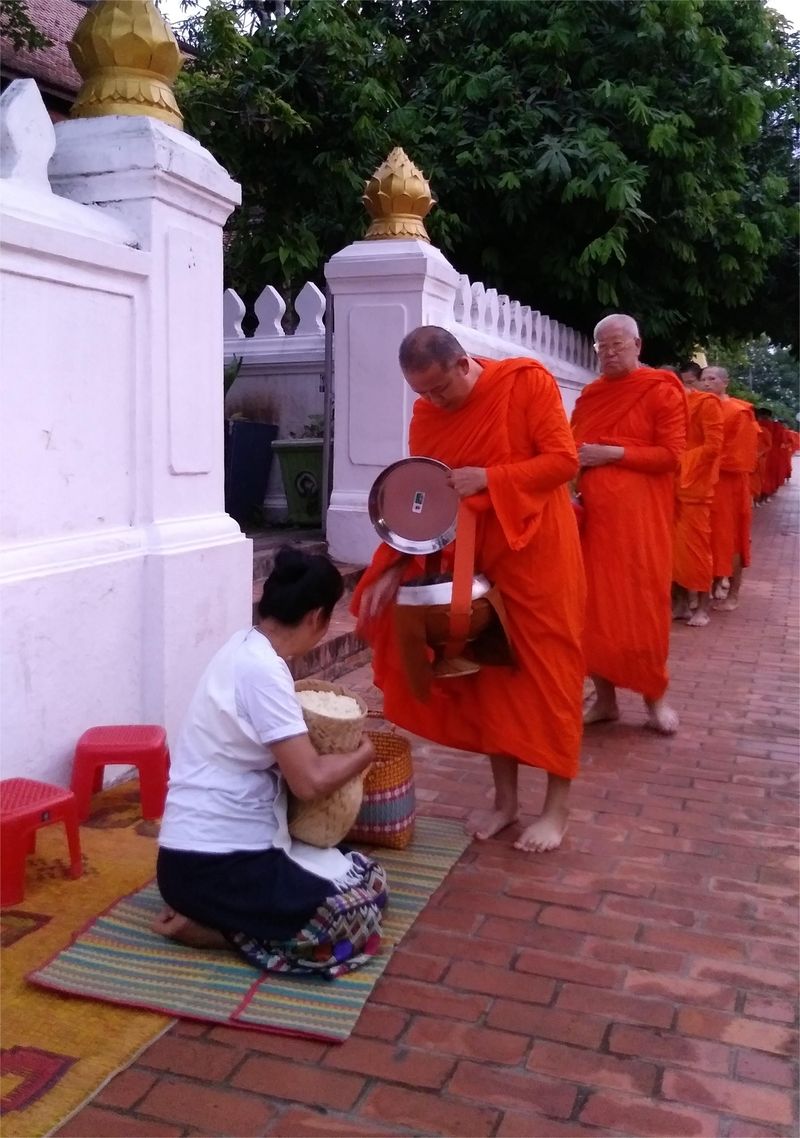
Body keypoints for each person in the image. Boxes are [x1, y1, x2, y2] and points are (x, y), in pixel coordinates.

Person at [352, 326, 585, 854]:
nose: (432, 402)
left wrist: (490, 478)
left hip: (540, 553)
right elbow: (424, 497)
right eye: (422, 394)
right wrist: (391, 568)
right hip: (473, 557)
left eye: (440, 390)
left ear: (463, 365)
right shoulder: (427, 414)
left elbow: (563, 462)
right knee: (491, 675)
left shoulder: (526, 383)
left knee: (550, 674)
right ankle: (505, 802)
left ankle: (556, 809)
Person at [152, 548, 386, 979]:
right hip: (215, 865)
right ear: (317, 616)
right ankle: (217, 933)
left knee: (362, 872)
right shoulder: (262, 672)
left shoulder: (243, 646)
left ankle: (221, 917)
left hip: (191, 861)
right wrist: (364, 754)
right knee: (356, 916)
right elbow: (310, 783)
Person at [571, 314, 688, 733]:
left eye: (618, 344)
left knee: (643, 609)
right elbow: (573, 447)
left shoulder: (660, 390)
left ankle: (655, 700)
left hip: (642, 523)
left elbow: (671, 455)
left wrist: (613, 453)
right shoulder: (591, 394)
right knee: (594, 612)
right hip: (595, 523)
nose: (609, 352)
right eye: (602, 347)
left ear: (638, 345)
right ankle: (605, 700)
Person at [700, 366, 759, 612]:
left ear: (725, 382)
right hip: (702, 481)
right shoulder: (699, 407)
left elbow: (740, 456)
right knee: (705, 537)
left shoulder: (739, 411)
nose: (706, 383)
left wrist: (699, 459)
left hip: (729, 484)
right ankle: (710, 585)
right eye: (703, 379)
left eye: (712, 379)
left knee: (731, 537)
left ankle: (733, 592)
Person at [671, 361, 724, 627]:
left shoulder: (707, 404)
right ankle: (680, 603)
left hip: (696, 487)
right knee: (673, 551)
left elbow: (714, 447)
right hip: (671, 487)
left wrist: (680, 461)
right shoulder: (674, 405)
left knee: (696, 550)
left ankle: (702, 606)